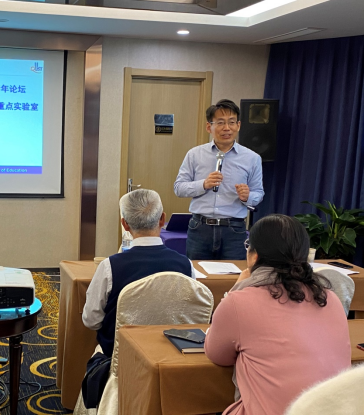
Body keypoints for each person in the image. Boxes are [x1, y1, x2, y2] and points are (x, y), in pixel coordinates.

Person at [205, 214, 351, 415]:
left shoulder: (239, 302)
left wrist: (237, 288)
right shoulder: (330, 298)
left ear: (254, 256)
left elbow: (217, 355)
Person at [82, 189, 195, 357]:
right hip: (171, 357)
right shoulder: (186, 265)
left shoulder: (109, 267)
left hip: (120, 358)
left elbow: (91, 320)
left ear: (124, 224)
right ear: (162, 219)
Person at [174, 99, 264, 260]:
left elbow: (258, 193)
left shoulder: (252, 158)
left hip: (234, 229)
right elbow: (179, 188)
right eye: (220, 122)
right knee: (197, 273)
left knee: (234, 274)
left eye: (231, 122)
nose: (227, 128)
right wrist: (203, 184)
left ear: (238, 125)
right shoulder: (194, 154)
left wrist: (247, 197)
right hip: (200, 227)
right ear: (209, 127)